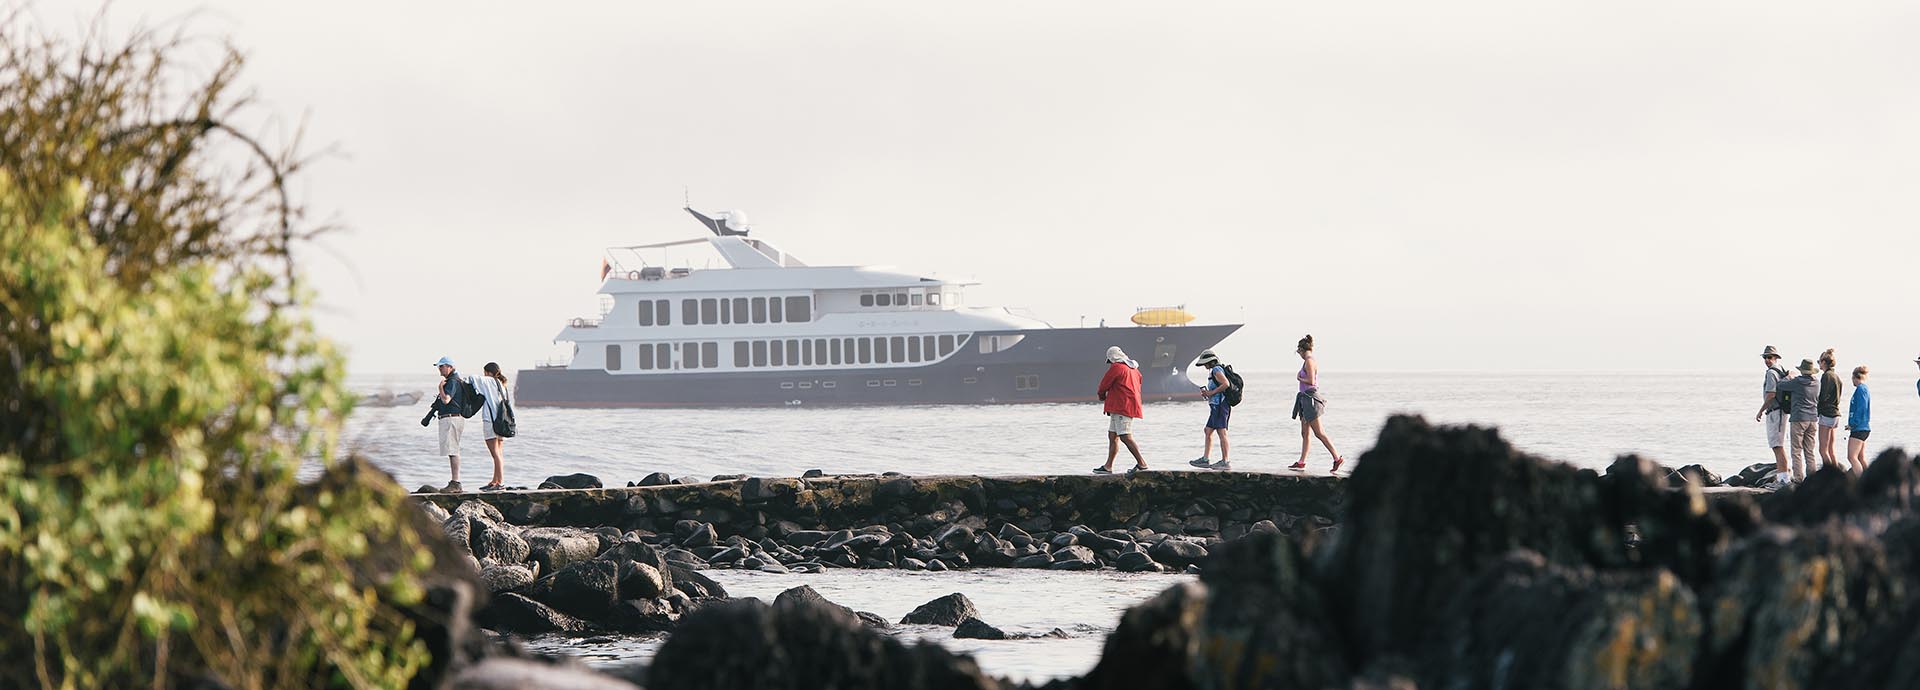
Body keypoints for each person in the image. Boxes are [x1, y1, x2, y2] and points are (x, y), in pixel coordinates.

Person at [1287, 334, 1346, 474]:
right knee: (1305, 432)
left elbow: (1312, 381)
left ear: (1302, 350)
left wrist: (1299, 377)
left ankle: (1337, 458)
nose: (1299, 354)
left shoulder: (1309, 361)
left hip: (1310, 399)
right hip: (1304, 399)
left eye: (1299, 352)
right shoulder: (1307, 360)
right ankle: (1301, 462)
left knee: (1319, 433)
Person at [421, 356, 474, 493]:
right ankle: (454, 481)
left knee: (453, 450)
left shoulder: (452, 381)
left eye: (442, 366)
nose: (439, 369)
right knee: (452, 450)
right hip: (451, 418)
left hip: (452, 418)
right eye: (439, 366)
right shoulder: (453, 380)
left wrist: (440, 387)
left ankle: (455, 482)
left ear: (450, 367)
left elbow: (446, 400)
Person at [1094, 346, 1148, 475]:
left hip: (1122, 406)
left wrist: (1102, 396)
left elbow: (1104, 385)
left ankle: (1142, 463)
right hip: (1125, 405)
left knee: (1124, 435)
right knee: (1113, 436)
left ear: (1112, 358)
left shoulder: (1117, 368)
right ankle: (1108, 466)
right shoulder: (1134, 370)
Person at [1775, 358, 1822, 483]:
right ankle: (1812, 478)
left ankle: (1798, 478)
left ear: (1802, 370)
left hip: (1798, 418)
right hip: (1812, 419)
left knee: (1796, 450)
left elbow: (1780, 385)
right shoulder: (1817, 382)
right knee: (1809, 451)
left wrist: (1789, 376)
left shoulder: (1797, 382)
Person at [1187, 350, 1233, 470]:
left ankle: (1225, 461)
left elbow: (1226, 384)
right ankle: (1205, 459)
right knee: (1208, 431)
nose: (1204, 366)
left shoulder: (1217, 370)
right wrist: (1208, 394)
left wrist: (1211, 392)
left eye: (1205, 363)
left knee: (1221, 432)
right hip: (1215, 406)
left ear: (1210, 362)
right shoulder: (1214, 371)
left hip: (1220, 405)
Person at [1752, 346, 1792, 485]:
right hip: (1780, 412)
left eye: (1769, 357)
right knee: (1778, 445)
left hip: (1775, 412)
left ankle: (1783, 479)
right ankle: (1783, 476)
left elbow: (1771, 394)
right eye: (1765, 357)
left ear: (1775, 358)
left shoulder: (1771, 373)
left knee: (1777, 446)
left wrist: (1761, 410)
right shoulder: (1780, 370)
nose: (1767, 360)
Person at [474, 362, 514, 491]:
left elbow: (472, 379)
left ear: (488, 373)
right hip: (501, 422)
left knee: (495, 454)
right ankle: (495, 480)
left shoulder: (489, 381)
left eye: (484, 372)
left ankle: (500, 483)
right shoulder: (502, 385)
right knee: (499, 453)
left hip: (491, 421)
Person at [1817, 348, 1842, 470]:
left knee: (1823, 449)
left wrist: (1816, 409)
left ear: (1824, 362)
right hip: (1836, 415)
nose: (1819, 364)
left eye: (1819, 362)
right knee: (1831, 449)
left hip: (1826, 414)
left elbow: (1823, 396)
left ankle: (1829, 477)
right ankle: (1838, 476)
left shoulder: (1826, 376)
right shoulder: (1837, 377)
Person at [1845, 365, 1871, 474]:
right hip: (1862, 428)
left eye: (1852, 378)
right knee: (1860, 457)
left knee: (1852, 457)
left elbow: (1861, 408)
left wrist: (1853, 424)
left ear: (1855, 377)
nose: (1852, 381)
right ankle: (1870, 479)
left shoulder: (1861, 389)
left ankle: (1860, 482)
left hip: (1859, 428)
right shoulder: (1862, 389)